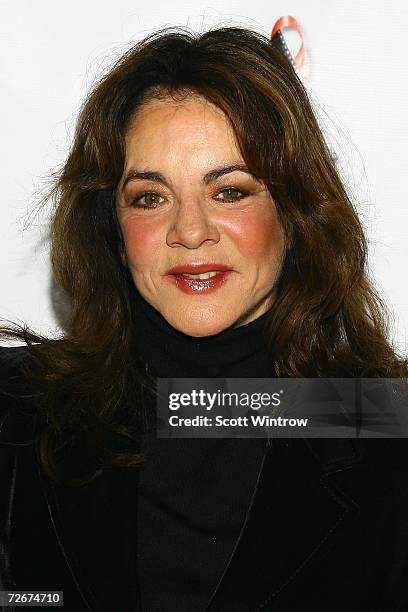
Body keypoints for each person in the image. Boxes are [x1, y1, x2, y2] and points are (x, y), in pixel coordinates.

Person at [1, 25, 407, 612]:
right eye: (150, 197)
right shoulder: (18, 415)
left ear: (294, 213)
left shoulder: (382, 430)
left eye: (230, 192)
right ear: (113, 230)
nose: (190, 232)